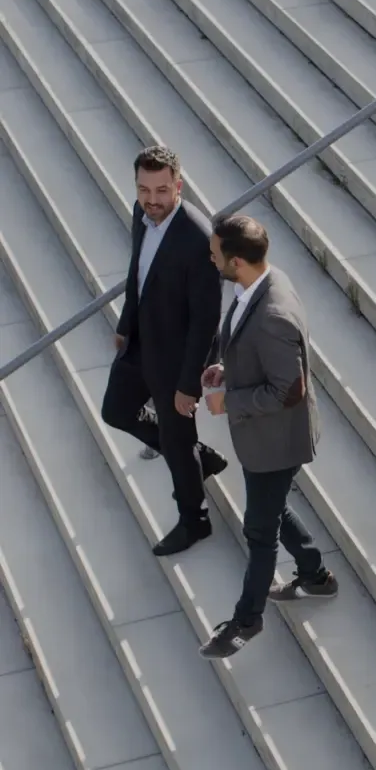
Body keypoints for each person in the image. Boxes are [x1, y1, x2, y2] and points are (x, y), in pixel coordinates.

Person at [199, 215, 338, 659]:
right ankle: (316, 575)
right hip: (266, 439)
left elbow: (290, 390)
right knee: (270, 510)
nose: (210, 256)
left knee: (259, 531)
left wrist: (228, 402)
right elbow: (250, 342)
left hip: (276, 441)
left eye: (215, 252)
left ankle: (246, 620)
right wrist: (230, 368)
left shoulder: (274, 313)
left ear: (236, 261)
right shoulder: (261, 279)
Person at [101, 146, 227, 556]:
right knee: (115, 411)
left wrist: (189, 384)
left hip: (176, 358)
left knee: (177, 440)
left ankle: (196, 520)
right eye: (143, 189)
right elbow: (137, 272)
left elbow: (206, 321)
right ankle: (198, 458)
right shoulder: (142, 214)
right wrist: (124, 326)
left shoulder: (197, 239)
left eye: (161, 191)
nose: (151, 200)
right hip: (140, 341)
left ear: (178, 186)